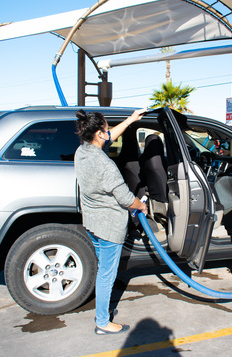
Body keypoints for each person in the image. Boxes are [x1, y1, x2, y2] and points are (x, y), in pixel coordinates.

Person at [74, 109, 148, 335]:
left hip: (92, 223)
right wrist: (142, 206)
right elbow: (126, 199)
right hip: (109, 227)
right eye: (105, 129)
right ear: (98, 134)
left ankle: (102, 313)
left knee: (102, 269)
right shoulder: (106, 166)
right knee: (107, 274)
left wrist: (131, 120)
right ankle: (103, 322)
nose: (108, 132)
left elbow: (110, 137)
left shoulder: (82, 151)